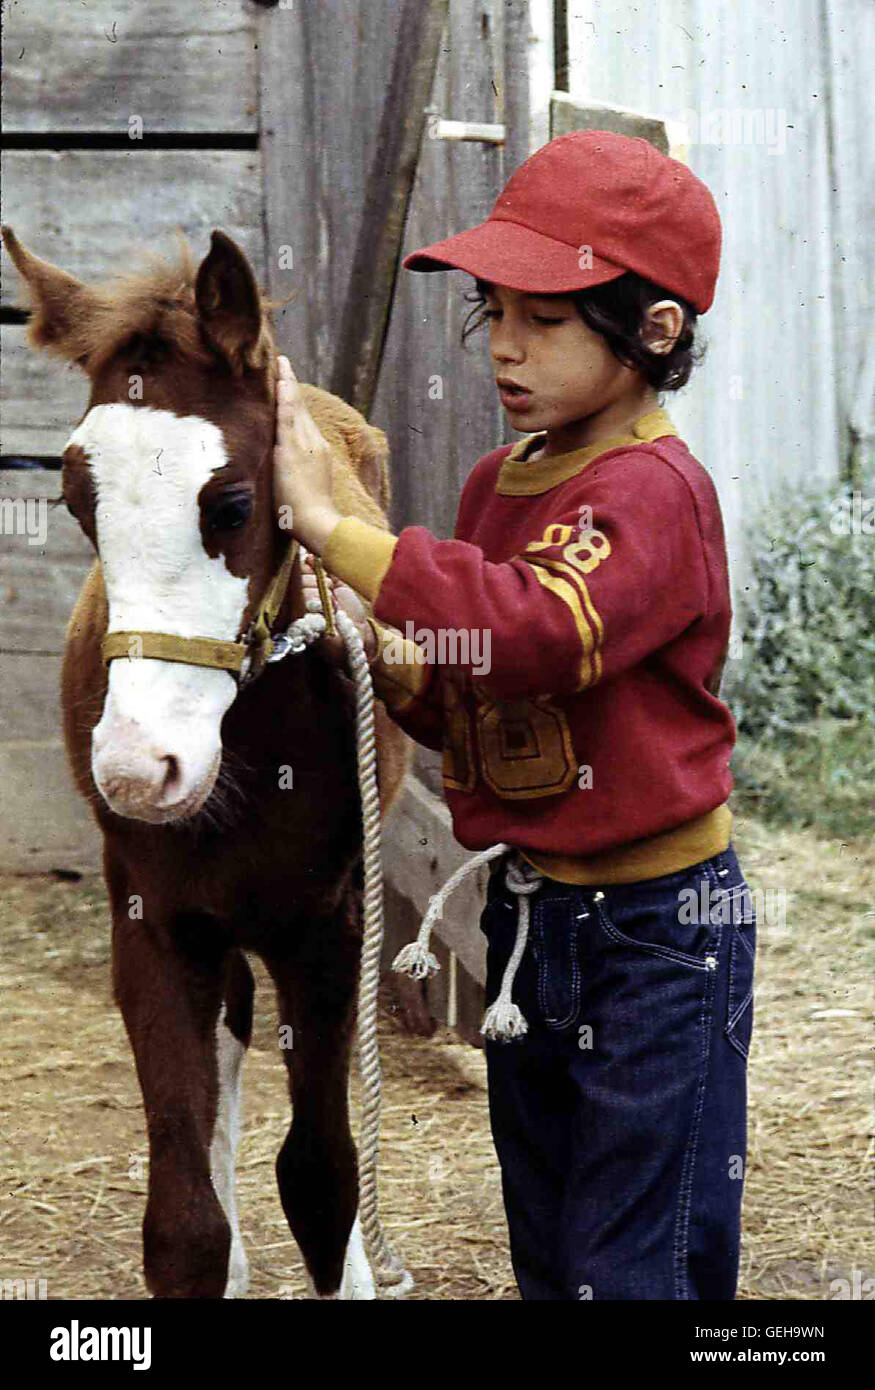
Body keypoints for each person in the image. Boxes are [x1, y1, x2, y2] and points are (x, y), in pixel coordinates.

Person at [273, 130, 757, 1301]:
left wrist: (336, 527)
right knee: (551, 1248)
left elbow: (535, 629)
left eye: (543, 318)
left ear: (653, 331)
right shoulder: (501, 486)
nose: (501, 345)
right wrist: (383, 654)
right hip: (535, 922)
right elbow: (473, 687)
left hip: (657, 933)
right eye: (492, 311)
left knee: (629, 1262)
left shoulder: (651, 493)